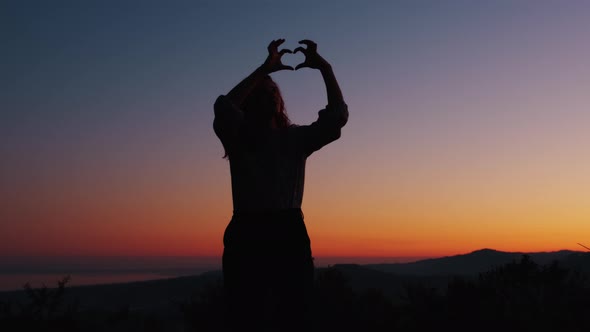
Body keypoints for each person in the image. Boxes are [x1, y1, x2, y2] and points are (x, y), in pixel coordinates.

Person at [213, 39, 348, 331]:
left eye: (273, 90)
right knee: (245, 314)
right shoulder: (239, 137)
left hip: (288, 231)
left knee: (295, 313)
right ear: (250, 102)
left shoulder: (295, 139)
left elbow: (337, 117)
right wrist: (263, 70)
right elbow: (223, 106)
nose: (270, 95)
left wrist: (325, 68)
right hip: (248, 231)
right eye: (262, 92)